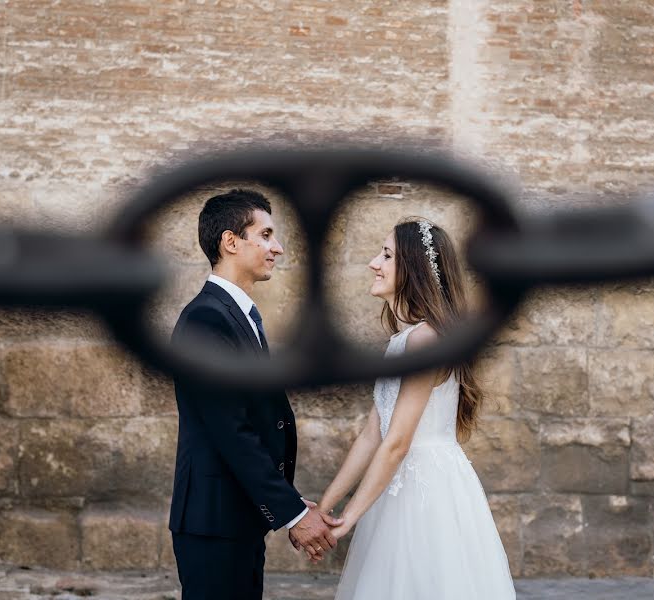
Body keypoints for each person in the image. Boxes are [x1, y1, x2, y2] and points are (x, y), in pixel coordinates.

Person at [317, 218, 516, 599]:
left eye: (387, 255)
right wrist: (325, 508)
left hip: (427, 491)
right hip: (394, 486)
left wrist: (349, 520)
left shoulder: (426, 340)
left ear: (414, 269)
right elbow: (372, 434)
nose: (374, 263)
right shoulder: (404, 340)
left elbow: (398, 441)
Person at [168, 189, 341, 600]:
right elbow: (232, 430)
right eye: (265, 235)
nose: (277, 248)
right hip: (213, 522)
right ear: (231, 242)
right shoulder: (206, 320)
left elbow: (254, 420)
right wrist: (294, 513)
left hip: (236, 518)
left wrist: (287, 498)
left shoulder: (237, 315)